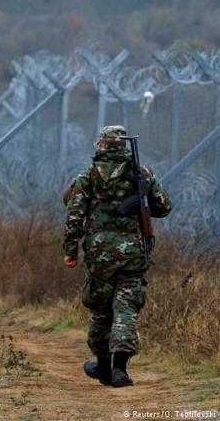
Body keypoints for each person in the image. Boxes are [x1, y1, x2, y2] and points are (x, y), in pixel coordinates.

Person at [63, 125, 171, 387]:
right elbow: (164, 207)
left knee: (101, 309)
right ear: (122, 145)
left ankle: (102, 367)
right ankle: (120, 369)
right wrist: (141, 196)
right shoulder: (141, 173)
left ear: (101, 145)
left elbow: (74, 214)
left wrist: (71, 251)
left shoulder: (88, 175)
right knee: (126, 308)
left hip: (99, 254)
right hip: (131, 253)